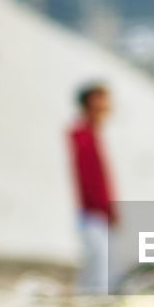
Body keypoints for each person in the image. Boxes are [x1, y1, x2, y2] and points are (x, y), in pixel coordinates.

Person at [68, 82, 116, 294]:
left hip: (98, 212)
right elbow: (90, 179)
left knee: (97, 265)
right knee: (99, 267)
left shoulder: (94, 134)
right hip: (92, 212)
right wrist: (103, 208)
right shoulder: (82, 135)